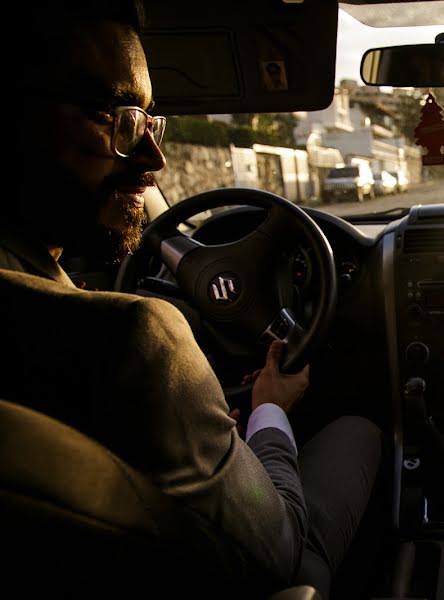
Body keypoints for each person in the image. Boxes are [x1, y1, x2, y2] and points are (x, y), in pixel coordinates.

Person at [0, 1, 381, 597]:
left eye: (151, 123)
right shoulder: (138, 344)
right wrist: (267, 411)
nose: (154, 159)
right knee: (359, 427)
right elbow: (280, 549)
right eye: (117, 119)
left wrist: (191, 419)